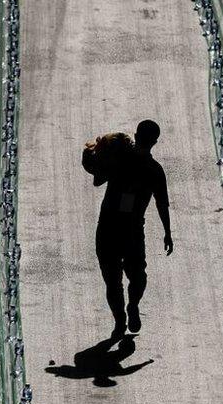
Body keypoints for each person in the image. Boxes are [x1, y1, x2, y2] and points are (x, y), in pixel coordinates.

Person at [85, 120, 173, 338]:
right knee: (135, 277)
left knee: (114, 280)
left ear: (138, 135)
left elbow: (97, 179)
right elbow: (162, 203)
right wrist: (167, 232)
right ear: (155, 141)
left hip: (110, 228)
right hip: (130, 231)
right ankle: (128, 311)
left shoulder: (127, 159)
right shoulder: (151, 169)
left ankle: (124, 316)